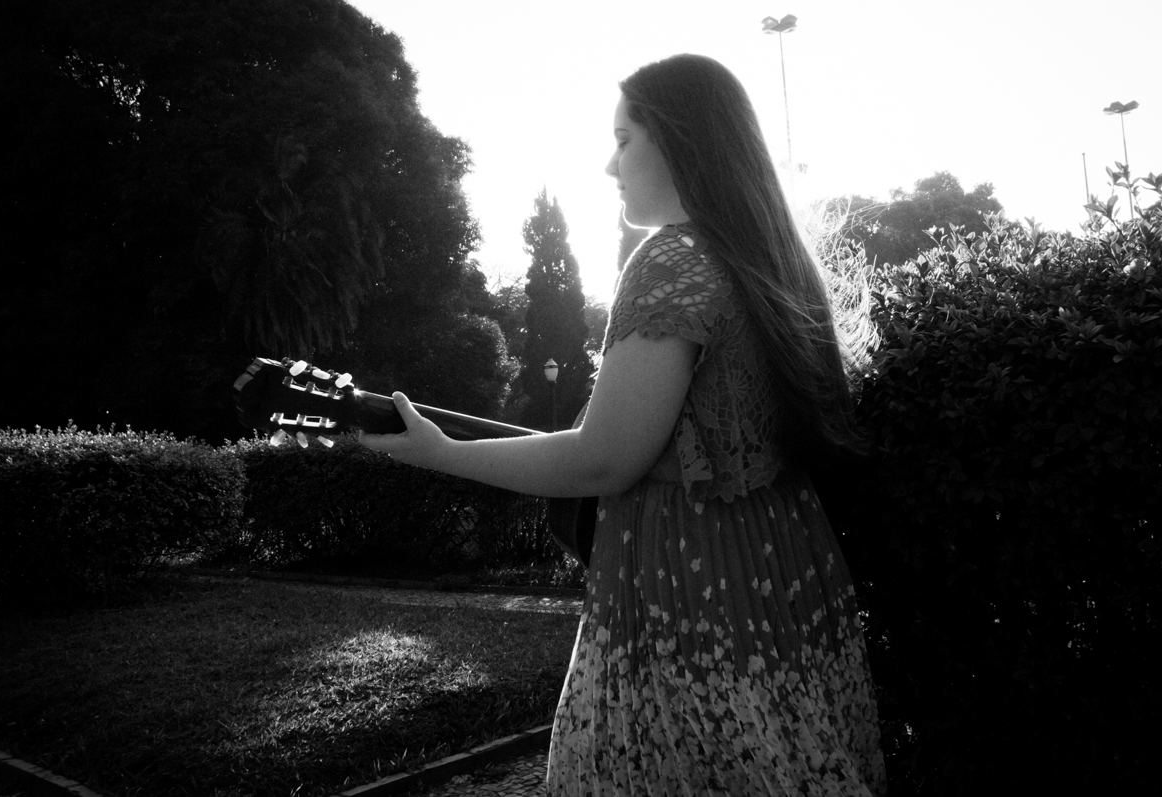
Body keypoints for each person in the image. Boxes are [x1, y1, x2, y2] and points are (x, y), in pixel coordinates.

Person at [359, 53, 886, 797]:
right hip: (782, 573)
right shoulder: (768, 261)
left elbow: (605, 460)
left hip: (688, 589)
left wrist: (439, 453)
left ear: (680, 143)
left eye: (623, 140)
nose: (609, 166)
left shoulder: (672, 260)